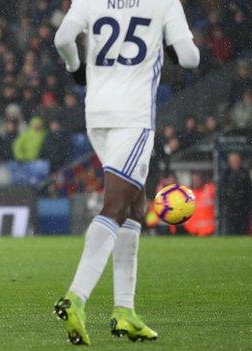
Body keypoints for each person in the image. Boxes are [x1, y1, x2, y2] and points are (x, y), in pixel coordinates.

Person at [54, 0, 200, 345]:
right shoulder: (164, 3)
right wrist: (173, 47)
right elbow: (191, 59)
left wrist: (76, 68)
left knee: (135, 208)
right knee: (116, 207)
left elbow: (63, 38)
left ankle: (124, 311)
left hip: (97, 114)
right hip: (132, 117)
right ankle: (76, 296)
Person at [219, 153, 252, 234]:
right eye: (233, 161)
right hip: (230, 208)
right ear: (229, 162)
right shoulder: (225, 174)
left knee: (243, 230)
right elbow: (221, 191)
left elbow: (249, 190)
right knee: (230, 230)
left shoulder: (245, 174)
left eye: (236, 160)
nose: (235, 162)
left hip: (243, 208)